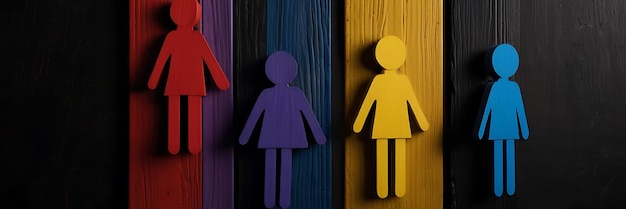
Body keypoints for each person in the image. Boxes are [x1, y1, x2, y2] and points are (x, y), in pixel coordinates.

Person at [239, 51, 326, 208]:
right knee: (284, 163)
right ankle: (278, 200)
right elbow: (308, 116)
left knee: (272, 164)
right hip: (290, 135)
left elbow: (254, 116)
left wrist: (245, 136)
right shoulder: (295, 93)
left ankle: (272, 200)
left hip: (271, 136)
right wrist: (319, 136)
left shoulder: (268, 93)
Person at [148, 0, 229, 154]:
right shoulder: (196, 38)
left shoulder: (172, 37)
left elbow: (161, 62)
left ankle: (175, 145)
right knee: (193, 112)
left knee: (176, 112)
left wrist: (153, 81)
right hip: (193, 83)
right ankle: (191, 145)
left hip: (175, 82)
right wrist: (221, 81)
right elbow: (210, 61)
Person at [353, 35, 429, 198]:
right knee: (393, 154)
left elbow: (411, 102)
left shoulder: (383, 81)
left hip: (383, 125)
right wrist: (422, 123)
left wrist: (359, 124)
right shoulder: (398, 81)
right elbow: (412, 104)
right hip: (397, 124)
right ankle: (391, 188)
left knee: (386, 155)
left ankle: (388, 188)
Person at [475, 43, 529, 196]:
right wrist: (480, 129)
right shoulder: (503, 88)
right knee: (501, 156)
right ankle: (500, 187)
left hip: (502, 128)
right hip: (504, 128)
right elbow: (487, 110)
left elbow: (519, 110)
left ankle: (507, 186)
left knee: (505, 156)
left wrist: (524, 129)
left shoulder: (511, 88)